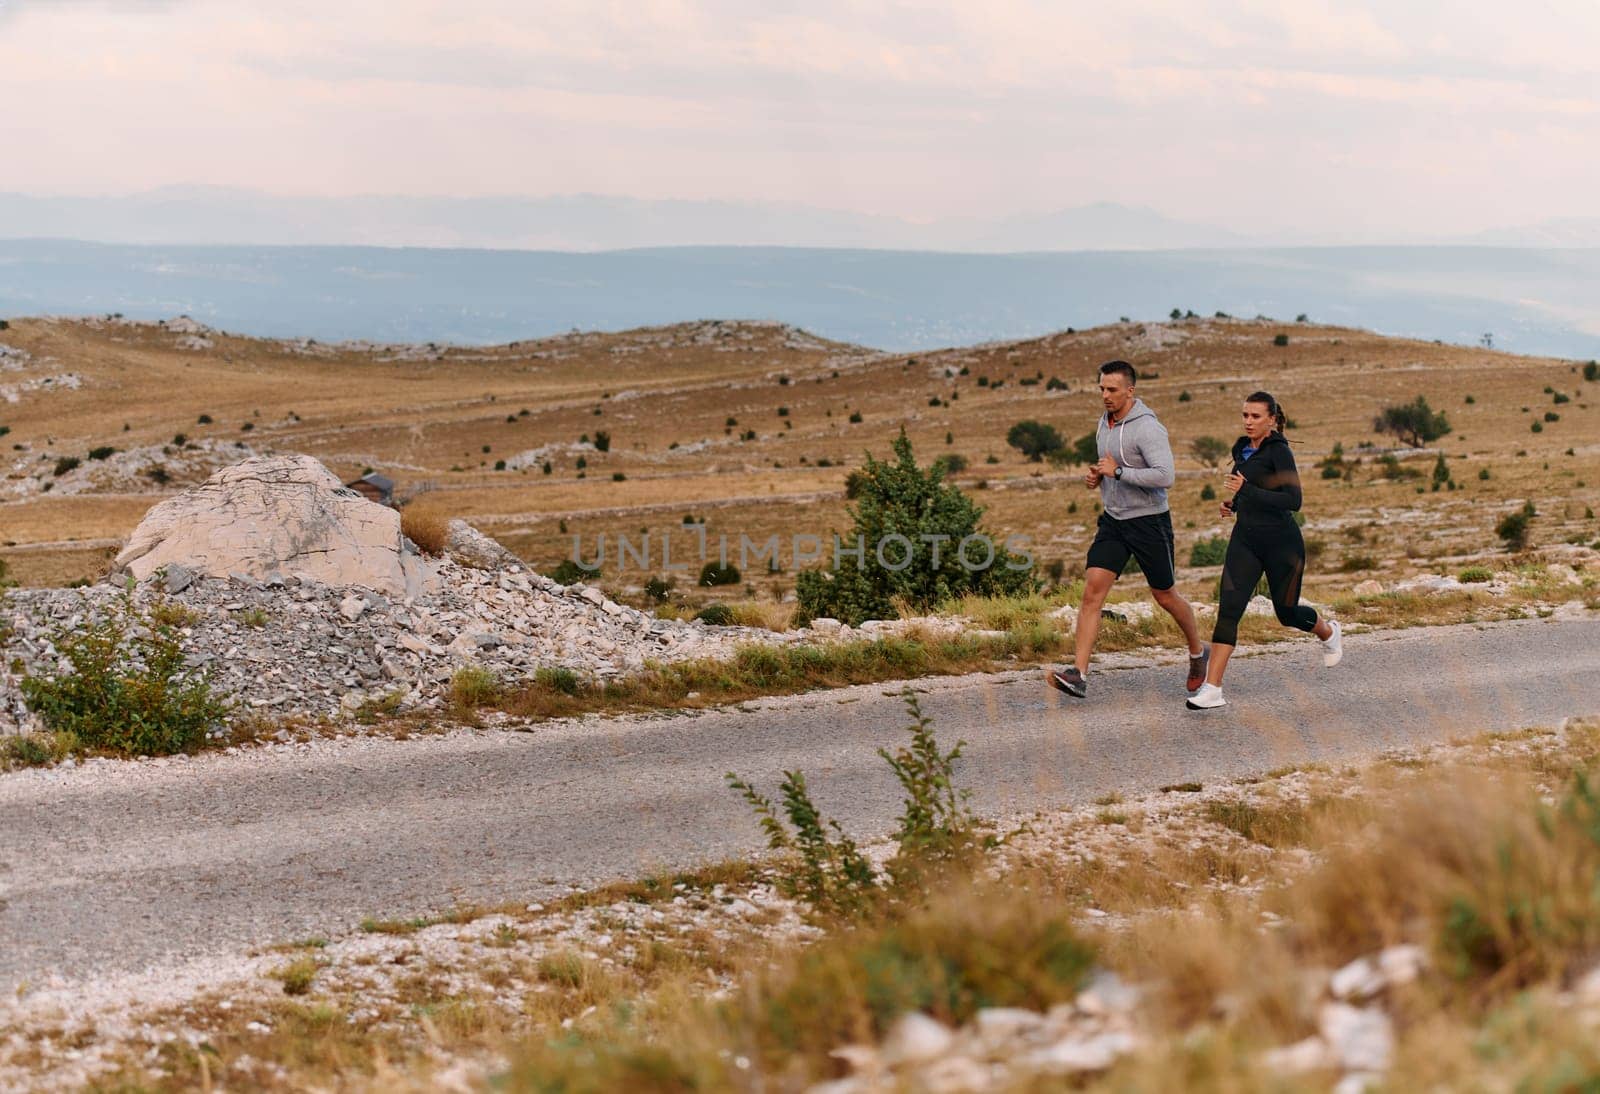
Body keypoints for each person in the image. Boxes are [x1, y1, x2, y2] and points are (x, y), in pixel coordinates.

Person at [1050, 360, 1209, 699]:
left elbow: (1165, 476)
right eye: (1101, 389)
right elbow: (1109, 466)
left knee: (1164, 595)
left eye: (1112, 390)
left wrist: (1119, 473)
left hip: (1149, 521)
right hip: (1114, 521)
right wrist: (1098, 476)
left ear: (1130, 390)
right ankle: (1078, 673)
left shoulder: (1148, 428)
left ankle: (1198, 652)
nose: (1105, 396)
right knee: (1092, 591)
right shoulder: (1103, 423)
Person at [1186, 390, 1342, 710]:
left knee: (1286, 614)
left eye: (1255, 416)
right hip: (1245, 540)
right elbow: (1248, 493)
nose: (1248, 421)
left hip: (1282, 544)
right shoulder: (1241, 449)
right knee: (1229, 609)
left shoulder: (1279, 452)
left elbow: (1292, 501)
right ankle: (1212, 688)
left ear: (1272, 420)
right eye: (1245, 415)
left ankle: (1327, 632)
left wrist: (1247, 491)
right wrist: (1233, 503)